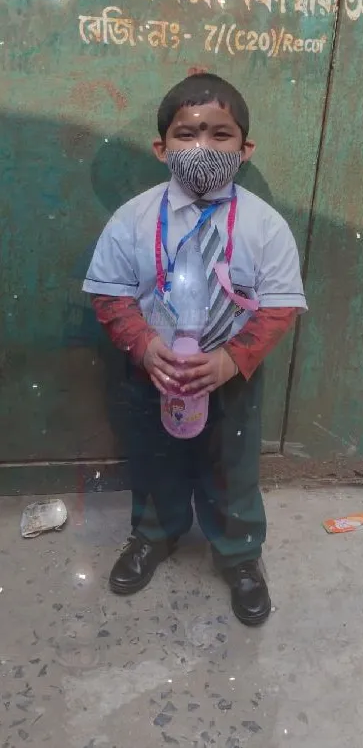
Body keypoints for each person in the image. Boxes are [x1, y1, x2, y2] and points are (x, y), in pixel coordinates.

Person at [83, 71, 307, 626]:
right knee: (156, 460)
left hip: (232, 378)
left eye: (220, 134)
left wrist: (231, 359)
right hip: (152, 372)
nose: (202, 146)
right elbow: (110, 296)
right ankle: (153, 537)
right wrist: (144, 345)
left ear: (245, 147)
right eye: (187, 134)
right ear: (161, 148)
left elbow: (279, 305)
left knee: (232, 467)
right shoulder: (131, 220)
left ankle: (239, 556)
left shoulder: (264, 226)